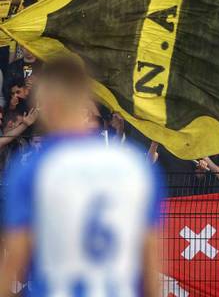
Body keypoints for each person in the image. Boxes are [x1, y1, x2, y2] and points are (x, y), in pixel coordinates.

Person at [0, 57, 164, 296]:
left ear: (49, 103)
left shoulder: (31, 169)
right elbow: (150, 262)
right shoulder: (135, 167)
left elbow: (15, 259)